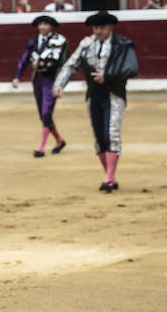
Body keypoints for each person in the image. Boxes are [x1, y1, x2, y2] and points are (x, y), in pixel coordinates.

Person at [54, 11, 139, 192]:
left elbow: (131, 68)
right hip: (94, 95)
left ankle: (108, 177)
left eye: (102, 28)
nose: (98, 31)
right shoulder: (87, 44)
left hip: (114, 95)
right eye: (95, 28)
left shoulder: (121, 44)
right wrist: (59, 84)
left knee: (112, 134)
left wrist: (107, 76)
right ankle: (110, 175)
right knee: (100, 137)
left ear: (110, 27)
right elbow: (71, 65)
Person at [12, 14, 69, 157]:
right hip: (37, 80)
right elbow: (24, 60)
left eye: (45, 24)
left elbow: (61, 60)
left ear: (50, 27)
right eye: (40, 24)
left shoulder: (57, 41)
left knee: (46, 112)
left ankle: (41, 147)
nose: (42, 27)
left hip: (51, 80)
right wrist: (17, 77)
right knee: (43, 115)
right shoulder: (33, 42)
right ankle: (59, 141)